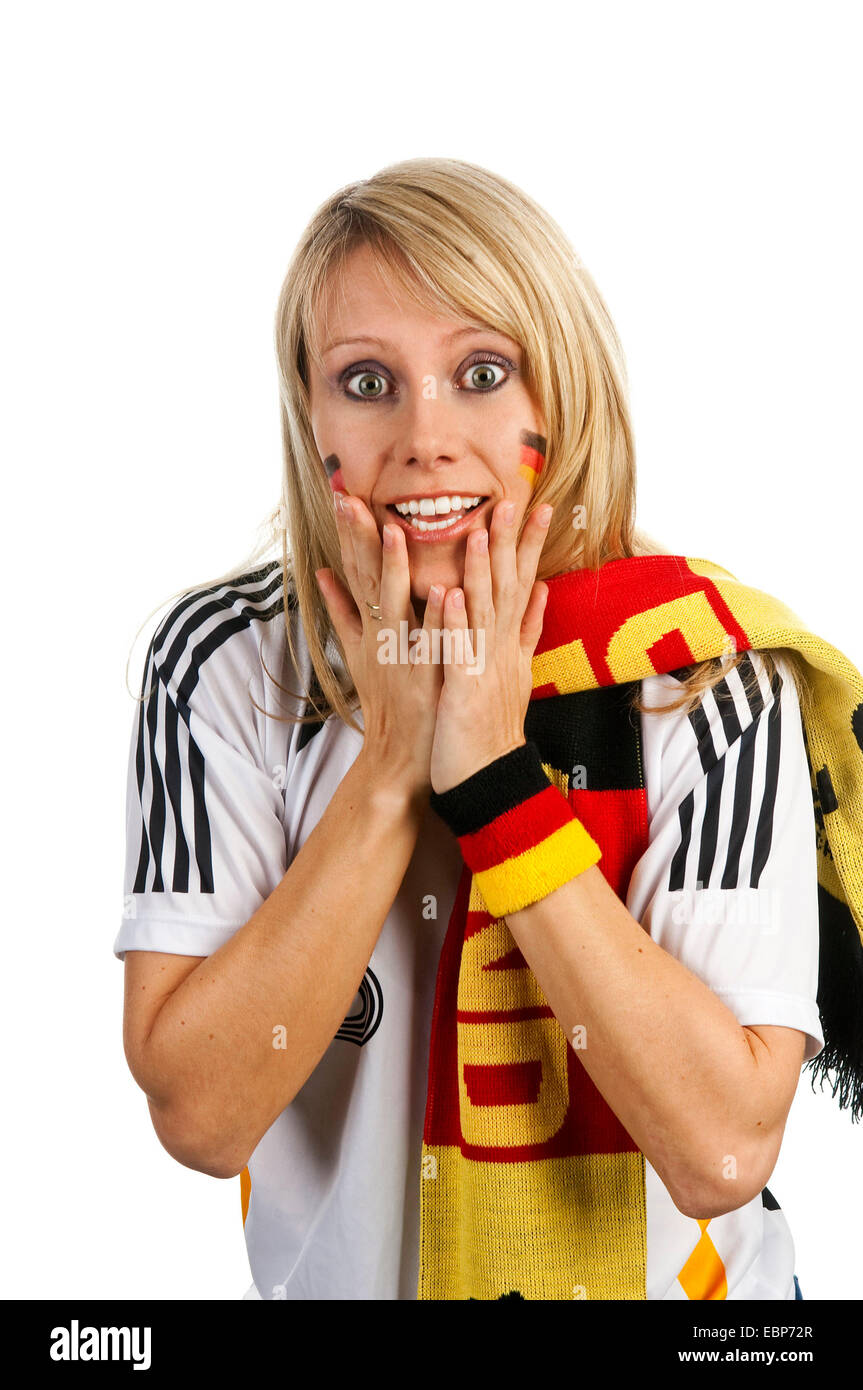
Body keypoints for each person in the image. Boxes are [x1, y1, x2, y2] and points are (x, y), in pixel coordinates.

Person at [116, 157, 858, 1301]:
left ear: (560, 392)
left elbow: (720, 1152)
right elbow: (200, 1117)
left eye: (479, 371)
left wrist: (496, 781)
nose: (424, 436)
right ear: (307, 412)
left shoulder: (699, 674)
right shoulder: (223, 661)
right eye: (364, 382)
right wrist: (393, 767)